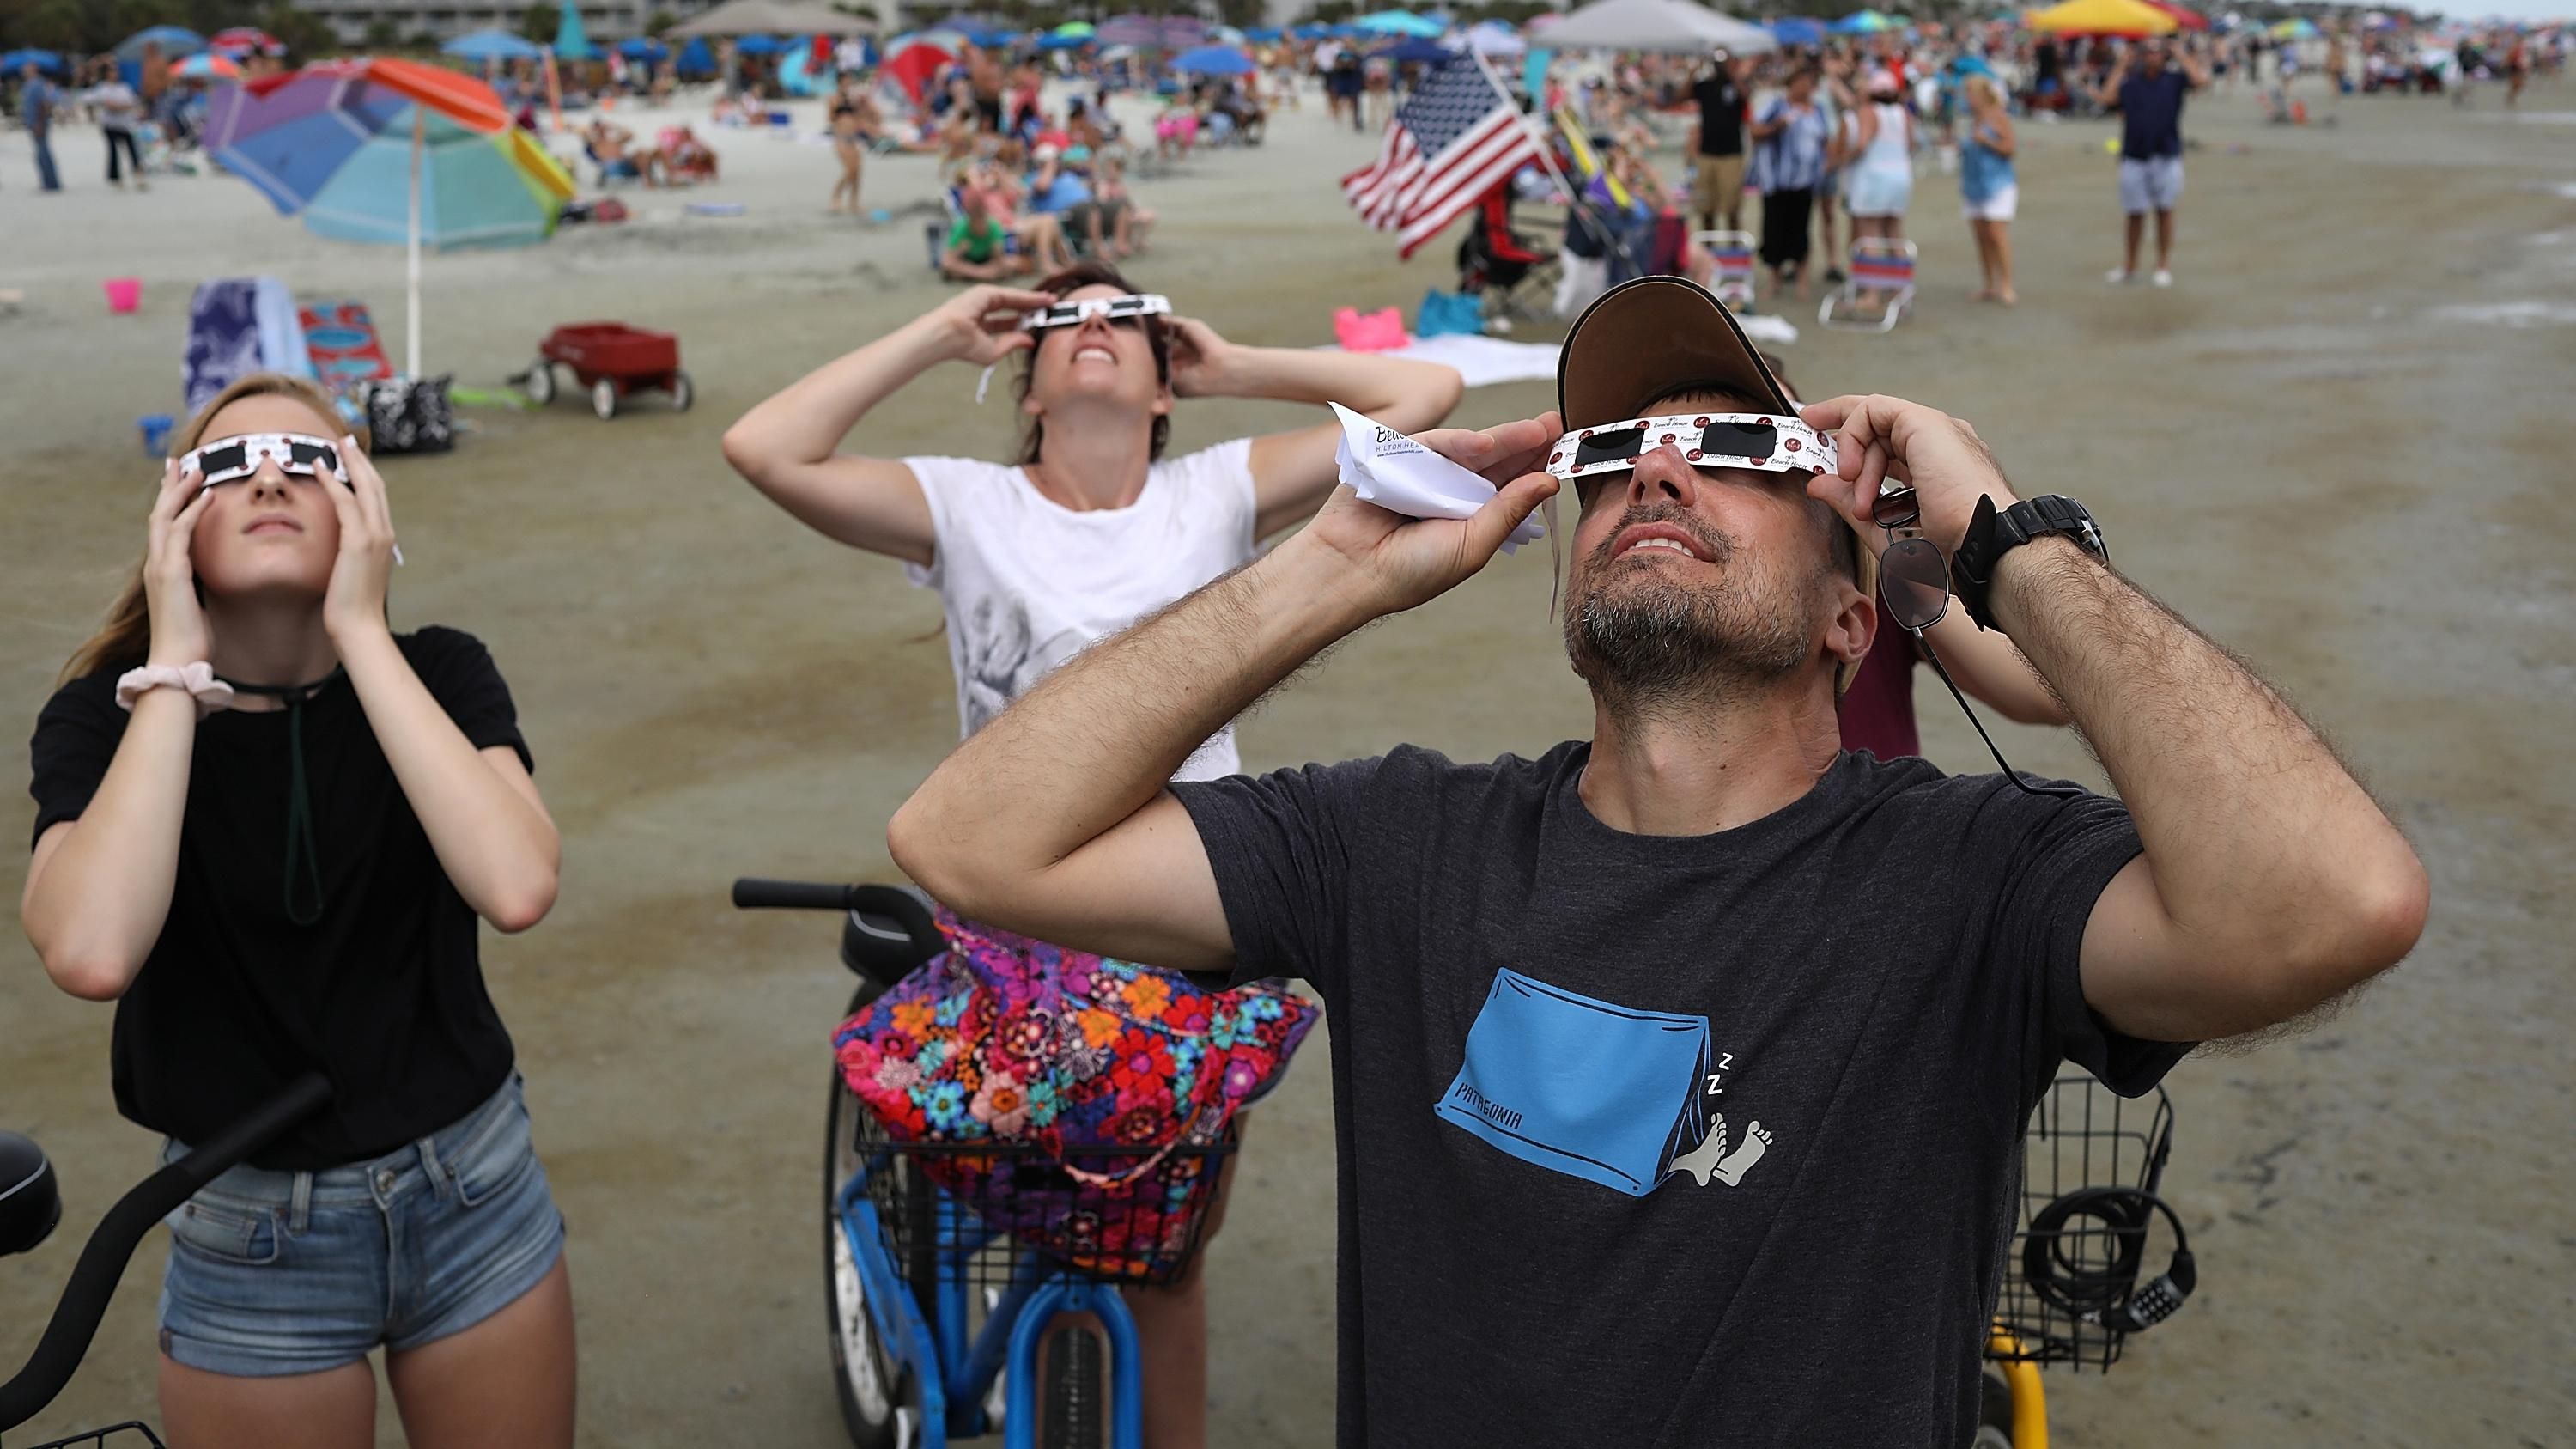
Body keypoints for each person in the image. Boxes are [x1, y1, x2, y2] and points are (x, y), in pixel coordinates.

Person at [880, 273, 2429, 1446]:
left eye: (1744, 448)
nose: (1657, 472)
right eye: (1616, 447)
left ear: (1853, 615)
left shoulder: (1970, 880)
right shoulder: (1395, 837)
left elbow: (2332, 900)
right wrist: (1327, 572)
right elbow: (969, 841)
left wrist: (2009, 542)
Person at [723, 264, 1465, 1449]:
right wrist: (937, 331)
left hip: (1187, 909)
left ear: (1166, 382)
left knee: (1165, 1257)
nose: (1098, 331)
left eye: (1127, 315)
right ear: (1028, 384)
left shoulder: (1216, 487)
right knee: (1024, 1205)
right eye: (1066, 321)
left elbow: (1421, 390)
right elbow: (766, 446)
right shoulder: (967, 502)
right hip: (1015, 908)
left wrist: (1236, 367)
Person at [21, 373, 574, 1449]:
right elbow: (91, 950)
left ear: (363, 504)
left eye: (311, 460)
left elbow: (517, 884)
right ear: (175, 515)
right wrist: (174, 671)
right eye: (227, 464)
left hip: (474, 1187)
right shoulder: (103, 714)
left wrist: (361, 632)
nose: (269, 473)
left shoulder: (439, 670)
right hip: (250, 1227)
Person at [2096, 37, 2207, 288]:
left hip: (2166, 154)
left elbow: (2200, 81)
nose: (2152, 56)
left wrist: (2180, 54)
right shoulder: (2131, 83)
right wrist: (2122, 65)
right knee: (2134, 213)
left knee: (2164, 210)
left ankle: (2163, 264)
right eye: (2147, 52)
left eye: (2157, 52)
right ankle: (2130, 266)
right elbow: (2107, 98)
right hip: (2134, 155)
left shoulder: (2174, 80)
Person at [1749, 67, 1832, 300]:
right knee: (1774, 231)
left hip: (1805, 182)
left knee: (1801, 232)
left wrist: (1826, 165)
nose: (1804, 87)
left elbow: (1825, 139)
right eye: (1800, 82)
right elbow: (1755, 131)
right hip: (1776, 182)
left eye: (1808, 82)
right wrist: (1778, 126)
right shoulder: (1776, 106)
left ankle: (1802, 281)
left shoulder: (1818, 110)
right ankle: (1774, 281)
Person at [1959, 73, 2019, 305]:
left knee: (1997, 233)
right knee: (1981, 235)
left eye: (1970, 93)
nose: (1967, 98)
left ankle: (2006, 284)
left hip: (1998, 183)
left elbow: (2010, 148)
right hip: (1974, 183)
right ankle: (1989, 284)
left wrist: (1988, 142)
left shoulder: (1998, 117)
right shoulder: (1972, 120)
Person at [1843, 70, 1916, 245]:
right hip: (1901, 176)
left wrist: (1844, 159)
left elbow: (1862, 145)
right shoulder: (1903, 112)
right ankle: (1897, 272)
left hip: (1873, 177)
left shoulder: (1869, 111)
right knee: (1894, 232)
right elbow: (1911, 146)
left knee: (1869, 234)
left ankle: (1871, 273)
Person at [1689, 48, 1750, 234]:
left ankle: (1734, 249)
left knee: (1732, 208)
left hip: (1731, 154)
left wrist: (1731, 72)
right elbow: (1680, 95)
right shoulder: (1705, 85)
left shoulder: (1736, 84)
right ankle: (1710, 248)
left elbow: (1746, 96)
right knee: (1706, 207)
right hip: (1707, 153)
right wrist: (1694, 70)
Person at [939, 187, 1024, 280]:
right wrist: (960, 251)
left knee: (1011, 265)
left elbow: (1001, 261)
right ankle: (980, 275)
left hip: (985, 264)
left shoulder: (993, 226)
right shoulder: (961, 227)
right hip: (968, 264)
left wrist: (996, 254)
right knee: (949, 269)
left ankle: (976, 276)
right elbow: (947, 262)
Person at [828, 73, 878, 215]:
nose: (848, 84)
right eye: (845, 82)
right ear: (839, 83)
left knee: (858, 172)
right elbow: (831, 118)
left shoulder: (854, 99)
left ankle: (854, 202)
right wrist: (840, 104)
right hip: (841, 139)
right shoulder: (833, 98)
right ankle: (836, 197)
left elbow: (861, 117)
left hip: (853, 138)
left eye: (849, 82)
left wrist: (861, 105)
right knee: (849, 171)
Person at [89, 68, 145, 190]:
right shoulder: (103, 88)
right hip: (110, 124)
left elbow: (132, 102)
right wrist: (120, 106)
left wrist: (119, 106)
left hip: (125, 124)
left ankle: (138, 174)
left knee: (132, 150)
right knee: (114, 151)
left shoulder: (124, 88)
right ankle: (116, 177)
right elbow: (108, 104)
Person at [20, 59, 61, 192]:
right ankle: (47, 181)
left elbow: (43, 104)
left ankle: (51, 182)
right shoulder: (29, 84)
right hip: (34, 123)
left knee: (43, 153)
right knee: (40, 153)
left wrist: (39, 123)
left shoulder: (37, 84)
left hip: (39, 123)